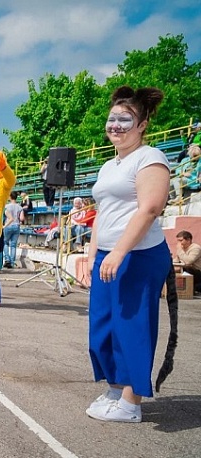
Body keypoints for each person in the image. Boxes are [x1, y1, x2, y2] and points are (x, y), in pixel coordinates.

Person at [85, 85, 171, 423]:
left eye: (126, 119)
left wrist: (120, 251)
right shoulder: (109, 165)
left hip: (139, 256)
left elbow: (149, 208)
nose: (116, 125)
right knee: (103, 327)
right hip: (108, 254)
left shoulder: (150, 158)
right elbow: (102, 213)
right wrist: (93, 254)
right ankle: (115, 387)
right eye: (113, 119)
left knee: (132, 328)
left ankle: (131, 402)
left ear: (143, 124)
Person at [172, 230, 201, 295]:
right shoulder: (182, 249)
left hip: (197, 272)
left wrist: (179, 250)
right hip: (185, 269)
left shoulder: (196, 248)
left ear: (188, 240)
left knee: (187, 268)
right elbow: (176, 261)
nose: (179, 243)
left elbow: (188, 261)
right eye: (178, 241)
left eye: (181, 240)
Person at [2, 192, 23, 268]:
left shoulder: (7, 206)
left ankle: (7, 259)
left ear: (10, 197)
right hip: (16, 226)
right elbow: (22, 218)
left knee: (5, 243)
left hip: (8, 225)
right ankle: (12, 262)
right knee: (13, 245)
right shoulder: (20, 207)